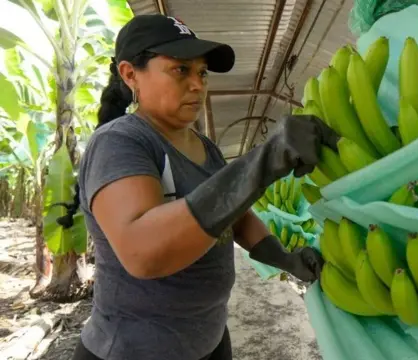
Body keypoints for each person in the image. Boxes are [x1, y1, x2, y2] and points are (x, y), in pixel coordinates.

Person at [61, 14, 338, 360]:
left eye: (202, 72)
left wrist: (284, 258)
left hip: (209, 340)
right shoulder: (120, 143)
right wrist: (262, 162)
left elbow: (234, 215)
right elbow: (143, 252)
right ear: (130, 74)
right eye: (181, 70)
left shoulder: (203, 147)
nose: (198, 84)